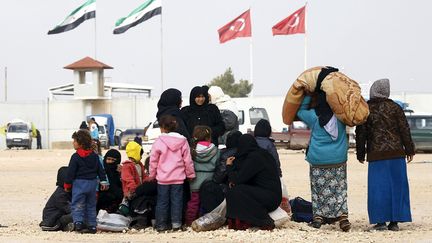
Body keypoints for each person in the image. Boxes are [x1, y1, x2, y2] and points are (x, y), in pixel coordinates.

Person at [356, 78, 415, 231]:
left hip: (377, 155)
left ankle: (380, 222)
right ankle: (394, 223)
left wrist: (360, 153)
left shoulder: (367, 109)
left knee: (378, 188)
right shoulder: (395, 108)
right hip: (397, 154)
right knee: (397, 187)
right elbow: (404, 130)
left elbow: (361, 132)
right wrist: (409, 150)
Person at [296, 95, 351, 232]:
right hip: (338, 158)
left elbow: (300, 111)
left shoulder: (314, 116)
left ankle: (318, 217)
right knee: (339, 188)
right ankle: (342, 217)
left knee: (318, 188)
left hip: (318, 158)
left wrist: (309, 94)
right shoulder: (341, 116)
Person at [148, 115, 196, 231]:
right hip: (178, 178)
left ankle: (161, 225)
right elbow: (187, 160)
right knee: (177, 202)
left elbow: (153, 160)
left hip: (163, 179)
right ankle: (176, 224)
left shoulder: (159, 141)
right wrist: (190, 174)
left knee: (162, 202)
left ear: (163, 127)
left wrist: (152, 175)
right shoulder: (183, 141)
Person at [225, 134, 281, 230]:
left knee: (235, 191)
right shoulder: (263, 154)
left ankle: (263, 221)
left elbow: (237, 179)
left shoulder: (254, 158)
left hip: (269, 198)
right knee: (238, 190)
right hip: (273, 196)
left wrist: (229, 166)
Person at [64, 129, 109, 234]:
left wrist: (67, 185)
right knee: (91, 205)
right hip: (92, 184)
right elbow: (100, 170)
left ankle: (78, 223)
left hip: (79, 184)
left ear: (80, 143)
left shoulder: (75, 157)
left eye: (74, 141)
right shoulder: (94, 156)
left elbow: (70, 172)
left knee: (78, 204)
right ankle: (92, 225)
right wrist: (103, 181)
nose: (73, 143)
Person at [200, 131, 242, 214]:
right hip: (242, 186)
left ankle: (211, 214)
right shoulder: (245, 151)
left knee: (207, 186)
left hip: (228, 187)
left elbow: (218, 178)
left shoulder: (226, 155)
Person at [185, 126, 219, 225]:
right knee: (205, 202)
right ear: (209, 137)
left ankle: (189, 221)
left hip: (195, 180)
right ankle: (203, 221)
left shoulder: (191, 150)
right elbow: (217, 165)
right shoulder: (215, 150)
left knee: (194, 202)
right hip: (209, 180)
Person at [39, 166, 73, 231]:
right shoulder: (60, 195)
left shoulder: (63, 191)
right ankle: (63, 226)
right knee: (76, 215)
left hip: (56, 216)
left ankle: (67, 226)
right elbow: (68, 209)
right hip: (52, 220)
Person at [97, 149, 123, 213]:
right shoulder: (101, 169)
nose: (110, 162)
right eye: (108, 159)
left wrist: (121, 173)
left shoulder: (119, 171)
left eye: (113, 160)